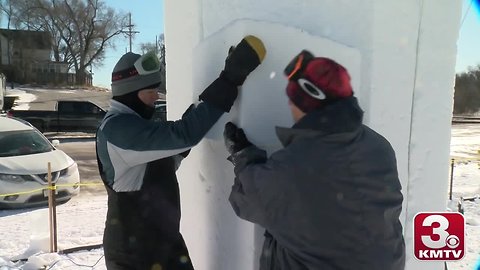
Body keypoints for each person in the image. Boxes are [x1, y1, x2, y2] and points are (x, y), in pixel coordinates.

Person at [223, 50, 405, 270]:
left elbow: (245, 201)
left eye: (293, 99)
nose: (290, 106)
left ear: (307, 104)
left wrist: (243, 156)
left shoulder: (290, 168)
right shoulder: (379, 146)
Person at [96, 36, 266, 270]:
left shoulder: (134, 126)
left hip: (166, 247)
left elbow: (177, 146)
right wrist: (229, 79)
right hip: (134, 257)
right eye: (150, 91)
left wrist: (218, 88)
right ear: (130, 92)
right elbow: (183, 135)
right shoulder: (117, 130)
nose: (156, 97)